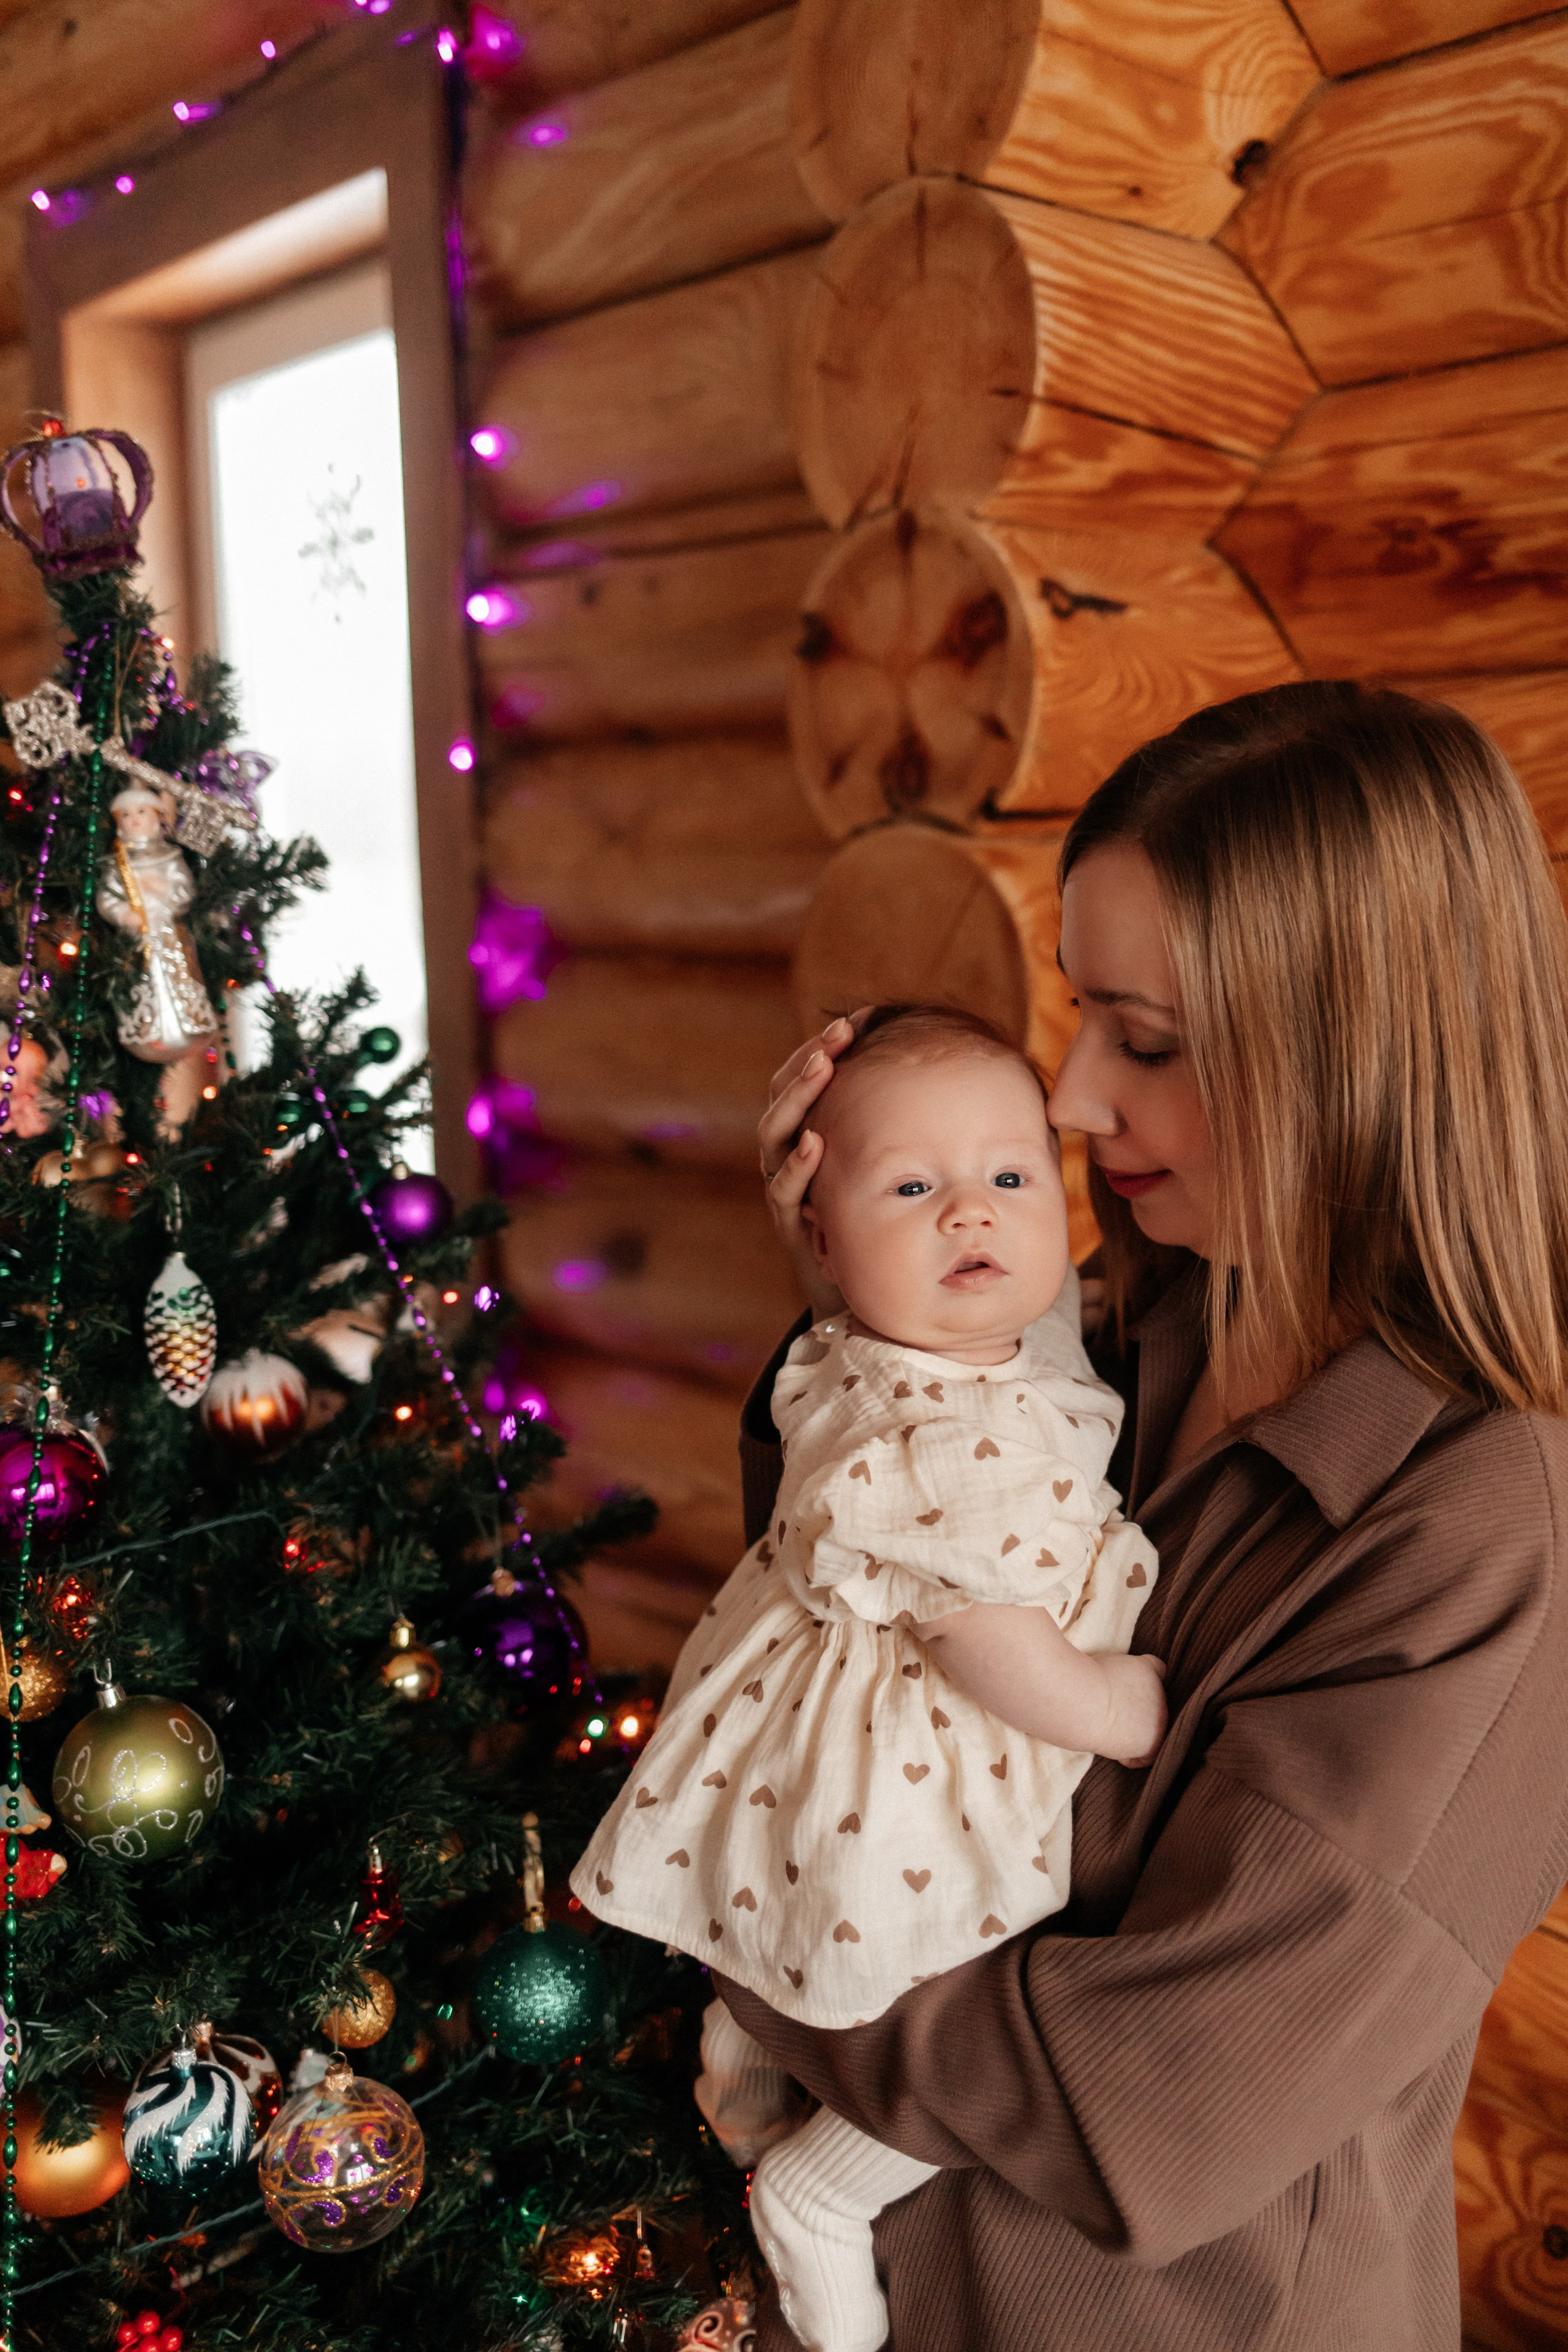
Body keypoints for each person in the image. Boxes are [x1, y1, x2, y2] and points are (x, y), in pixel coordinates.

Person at [717, 680, 1568, 2352]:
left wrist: (754, 1935)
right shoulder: (1119, 1326)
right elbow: (836, 1617)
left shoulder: (1488, 1535)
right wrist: (867, 1315)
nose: (1078, 1099)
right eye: (1082, 1020)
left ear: (1358, 1063)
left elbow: (1157, 2098)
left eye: (1149, 1041)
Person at [573, 1008, 1164, 2351]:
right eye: (912, 1189)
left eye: (1010, 1180)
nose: (970, 1211)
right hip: (918, 1759)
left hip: (814, 1750)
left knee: (798, 1989)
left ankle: (750, 2082)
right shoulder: (935, 1419)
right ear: (822, 1232)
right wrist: (1111, 1706)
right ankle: (819, 2198)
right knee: (964, 1979)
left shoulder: (899, 1351)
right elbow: (977, 1628)